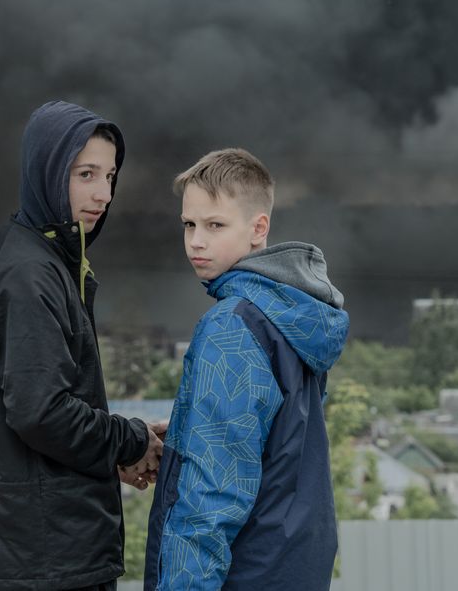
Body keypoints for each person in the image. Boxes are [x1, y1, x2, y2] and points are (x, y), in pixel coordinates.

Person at [0, 101, 163, 591]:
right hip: (40, 561)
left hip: (36, 549)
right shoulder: (28, 274)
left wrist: (113, 451)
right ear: (46, 170)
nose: (103, 194)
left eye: (109, 176)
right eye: (86, 174)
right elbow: (43, 413)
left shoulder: (44, 258)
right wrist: (129, 440)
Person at [143, 148, 350, 590]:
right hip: (291, 568)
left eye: (215, 225)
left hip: (244, 573)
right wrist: (185, 433)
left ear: (259, 228)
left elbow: (212, 495)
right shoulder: (293, 315)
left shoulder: (231, 326)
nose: (196, 240)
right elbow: (274, 444)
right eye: (189, 224)